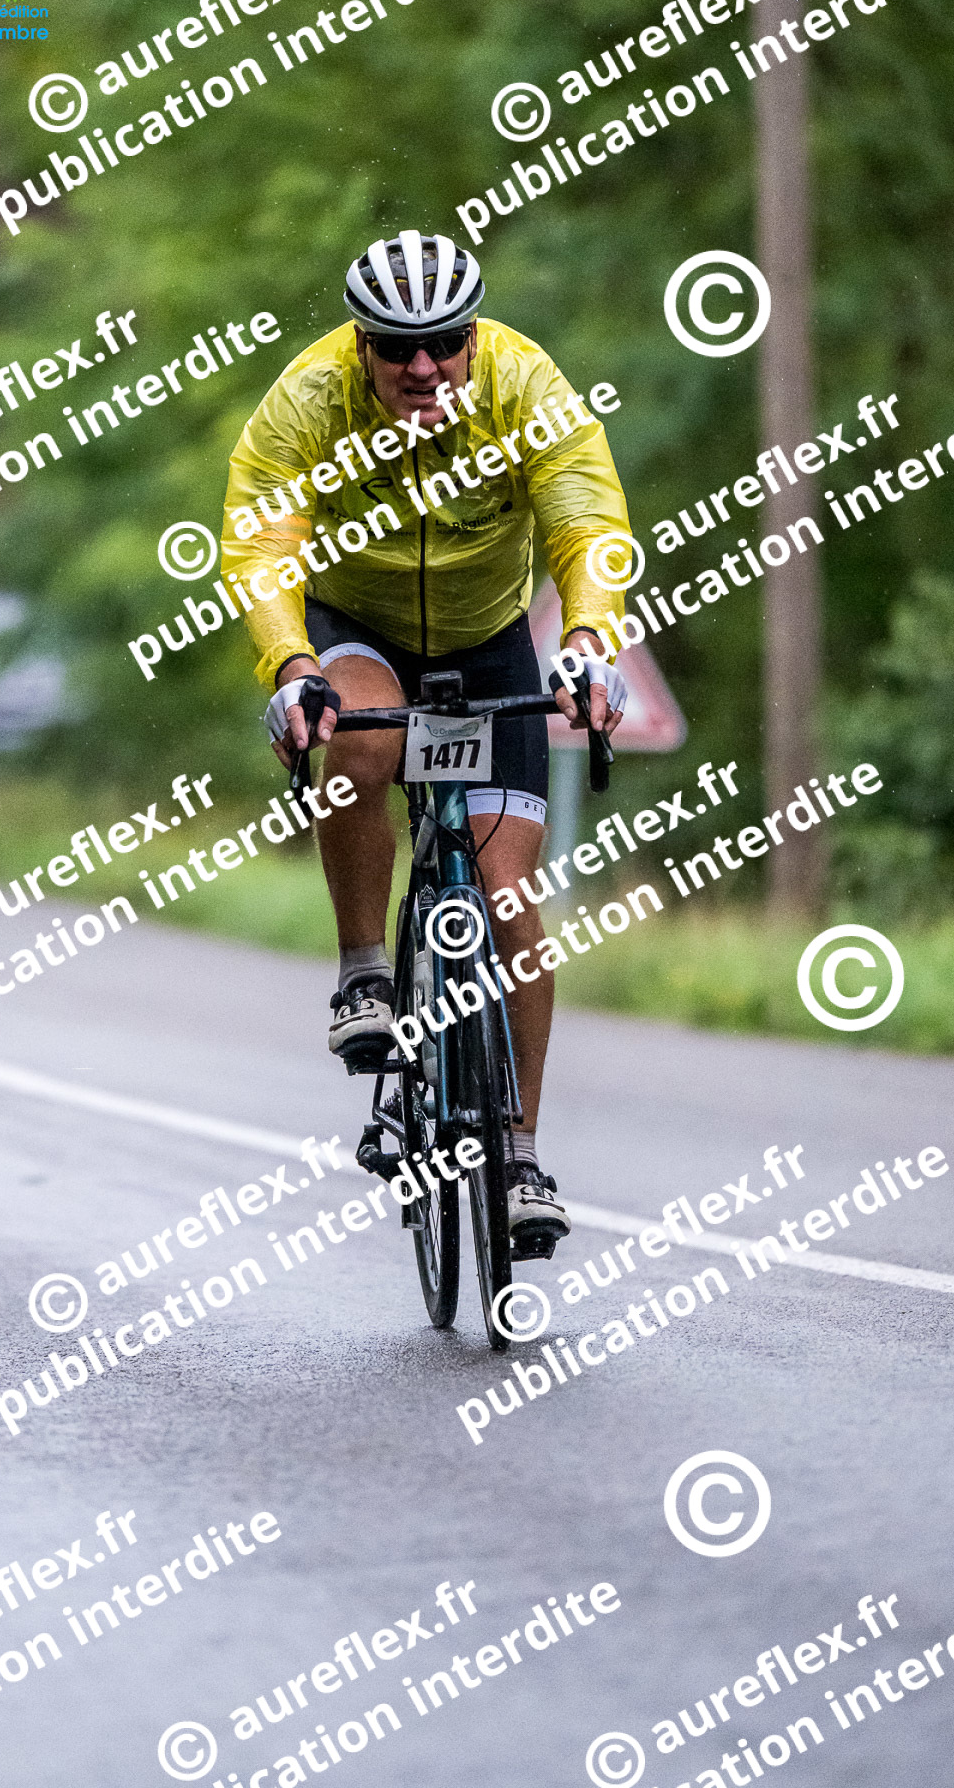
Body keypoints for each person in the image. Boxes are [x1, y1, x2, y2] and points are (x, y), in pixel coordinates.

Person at [220, 230, 630, 1246]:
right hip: (355, 629)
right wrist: (290, 665)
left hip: (488, 642)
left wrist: (588, 641)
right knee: (360, 742)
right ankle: (365, 970)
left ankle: (520, 1156)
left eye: (445, 342)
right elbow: (261, 540)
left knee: (509, 903)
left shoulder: (522, 384)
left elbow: (585, 521)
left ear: (472, 338)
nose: (422, 366)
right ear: (359, 344)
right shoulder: (310, 398)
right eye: (395, 347)